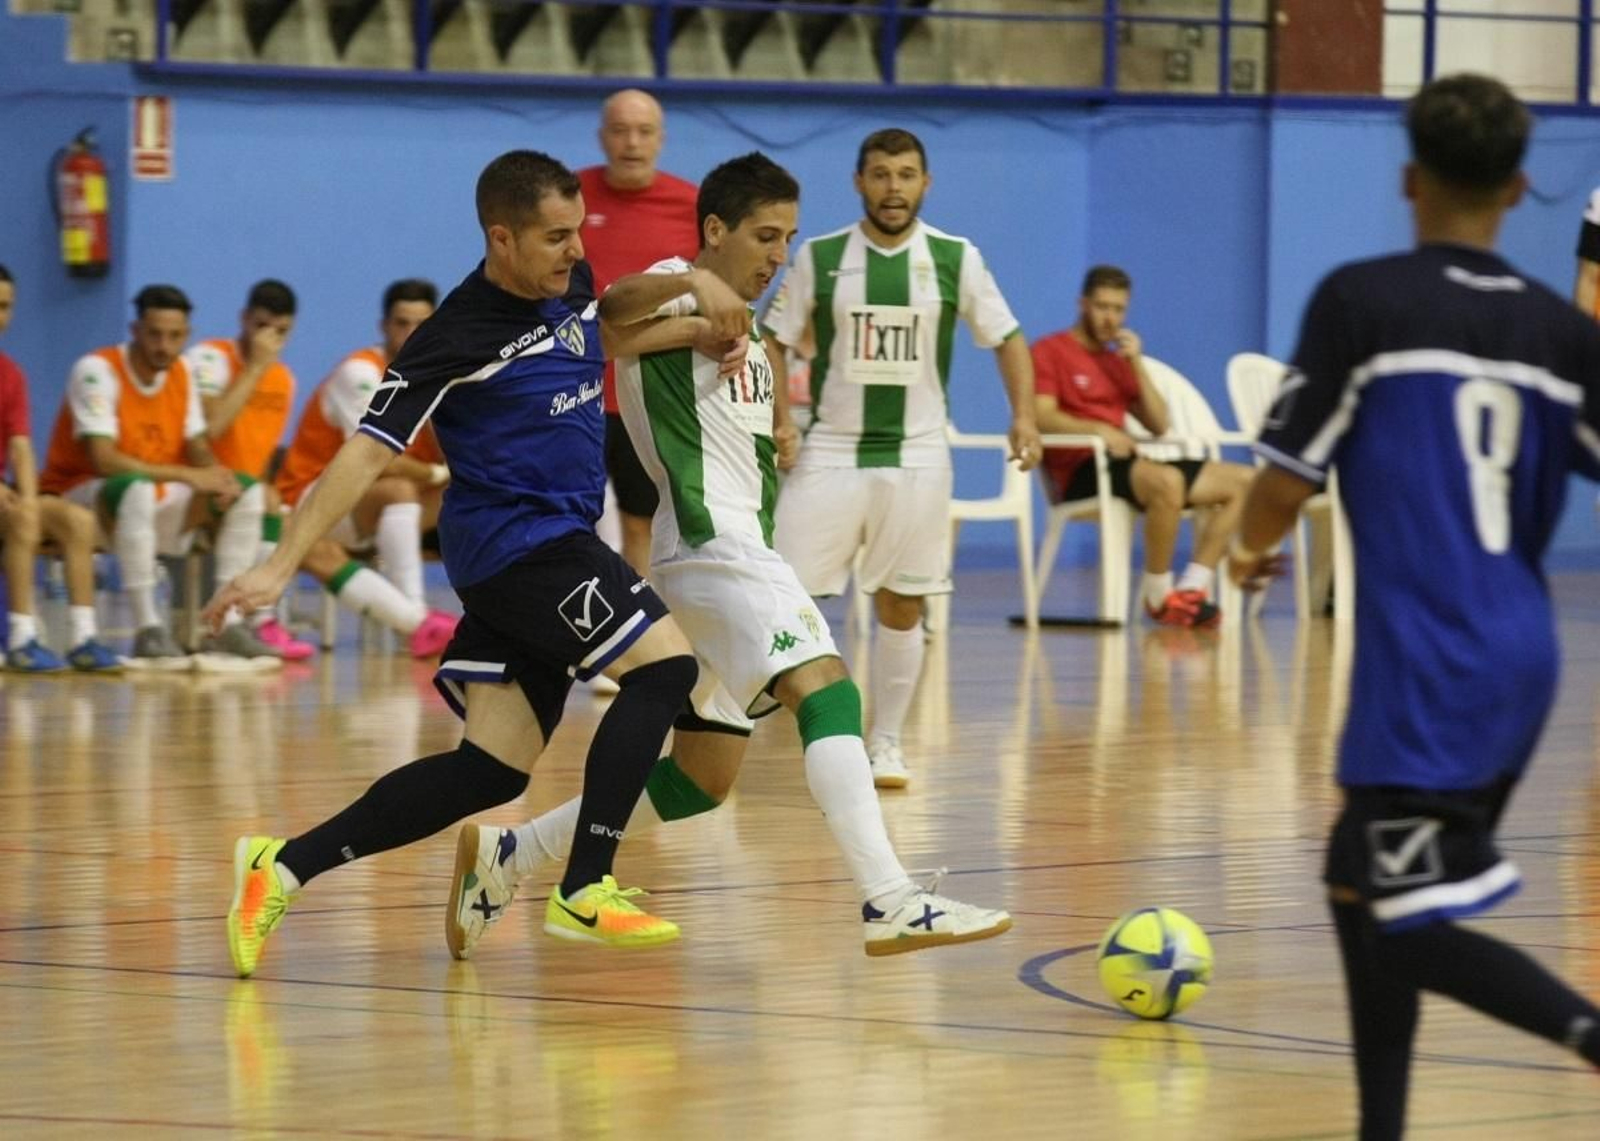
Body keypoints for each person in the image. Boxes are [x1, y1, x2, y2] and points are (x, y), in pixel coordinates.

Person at [445, 152, 1014, 962]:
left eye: (787, 238)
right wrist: (697, 292)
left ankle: (516, 852)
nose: (777, 255)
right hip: (717, 545)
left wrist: (777, 418)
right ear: (714, 230)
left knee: (702, 776)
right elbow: (608, 314)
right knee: (828, 688)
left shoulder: (737, 325)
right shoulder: (670, 283)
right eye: (762, 236)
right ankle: (890, 897)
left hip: (715, 554)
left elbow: (731, 377)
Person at [205, 148, 754, 977]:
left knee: (489, 769)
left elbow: (594, 332)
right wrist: (278, 567)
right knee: (663, 672)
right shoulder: (452, 338)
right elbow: (362, 455)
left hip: (547, 543)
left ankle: (280, 865)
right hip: (522, 547)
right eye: (555, 237)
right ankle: (585, 886)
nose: (575, 250)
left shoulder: (560, 277)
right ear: (502, 238)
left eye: (577, 233)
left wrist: (695, 328)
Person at [1228, 74, 1600, 1141]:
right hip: (1520, 653)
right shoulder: (1556, 336)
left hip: (1432, 663)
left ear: (1408, 177)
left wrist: (1245, 553)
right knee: (1359, 878)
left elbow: (1283, 478)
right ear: (1521, 185)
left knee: (1403, 912)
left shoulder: (1364, 302)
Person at [761, 128, 1041, 789]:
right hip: (830, 448)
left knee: (901, 603)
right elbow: (770, 340)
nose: (894, 187)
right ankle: (735, 716)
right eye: (881, 174)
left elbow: (1006, 337)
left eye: (907, 174)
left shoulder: (954, 257)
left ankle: (884, 742)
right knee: (776, 593)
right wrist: (778, 420)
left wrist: (1023, 414)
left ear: (926, 184)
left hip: (918, 454)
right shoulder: (821, 256)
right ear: (858, 181)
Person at [38, 284, 272, 668]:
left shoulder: (181, 371)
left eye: (175, 336)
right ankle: (148, 628)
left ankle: (227, 622)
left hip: (152, 494)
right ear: (135, 331)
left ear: (187, 336)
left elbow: (196, 442)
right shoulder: (96, 371)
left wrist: (215, 474)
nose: (164, 345)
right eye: (155, 334)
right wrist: (188, 475)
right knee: (137, 490)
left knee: (249, 494)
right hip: (79, 496)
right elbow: (103, 460)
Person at [1032, 265, 1252, 629]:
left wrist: (1136, 364)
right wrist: (1099, 429)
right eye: (1102, 307)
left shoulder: (1117, 360)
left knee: (1246, 482)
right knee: (1167, 482)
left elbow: (1159, 424)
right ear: (1082, 304)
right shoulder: (1048, 351)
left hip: (1127, 464)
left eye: (1119, 309)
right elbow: (1040, 416)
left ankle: (1192, 588)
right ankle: (1157, 594)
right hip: (1080, 469)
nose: (1110, 318)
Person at [273, 280, 457, 658]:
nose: (410, 334)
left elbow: (453, 455)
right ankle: (417, 619)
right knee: (401, 489)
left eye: (421, 325)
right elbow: (377, 458)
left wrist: (442, 402)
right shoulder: (360, 373)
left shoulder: (438, 372)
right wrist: (436, 475)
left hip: (377, 504)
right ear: (383, 326)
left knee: (479, 484)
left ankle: (494, 614)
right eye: (401, 323)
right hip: (313, 496)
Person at [580, 89, 701, 578]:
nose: (631, 142)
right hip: (577, 389)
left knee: (641, 524)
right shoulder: (569, 196)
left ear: (661, 139)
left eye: (644, 131)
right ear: (602, 136)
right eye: (620, 129)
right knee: (568, 523)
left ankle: (642, 638)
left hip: (650, 394)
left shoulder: (691, 205)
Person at [184, 279, 315, 660]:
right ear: (243, 319)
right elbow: (210, 433)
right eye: (261, 327)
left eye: (281, 332)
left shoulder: (285, 380)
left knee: (279, 508)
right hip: (197, 482)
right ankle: (227, 622)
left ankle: (260, 621)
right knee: (259, 498)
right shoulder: (208, 358)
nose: (269, 340)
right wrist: (255, 368)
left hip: (244, 489)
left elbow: (258, 454)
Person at [0, 264, 121, 672]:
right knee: (20, 519)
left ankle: (83, 638)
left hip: (5, 489)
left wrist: (32, 500)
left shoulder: (10, 375)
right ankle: (21, 637)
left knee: (76, 523)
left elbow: (20, 445)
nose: (0, 316)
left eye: (6, 307)